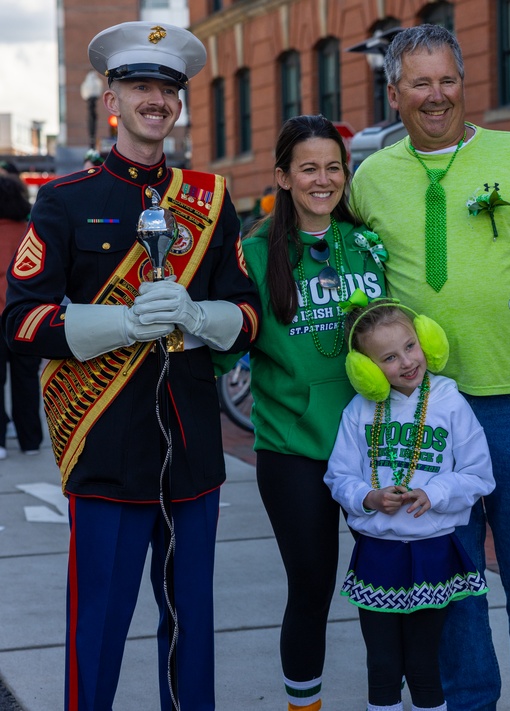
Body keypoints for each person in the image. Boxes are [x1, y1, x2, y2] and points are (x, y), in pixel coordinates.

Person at [2, 22, 260, 710]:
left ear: (179, 104)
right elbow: (20, 322)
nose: (156, 99)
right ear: (113, 97)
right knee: (98, 631)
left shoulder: (209, 197)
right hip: (106, 449)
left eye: (167, 89)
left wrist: (197, 315)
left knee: (192, 631)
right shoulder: (65, 199)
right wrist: (120, 322)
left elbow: (248, 314)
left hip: (194, 452)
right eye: (141, 86)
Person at [349, 24, 510, 711]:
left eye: (447, 79)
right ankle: (468, 703)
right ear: (393, 91)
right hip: (423, 412)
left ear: (465, 81)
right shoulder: (370, 180)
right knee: (451, 582)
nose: (436, 95)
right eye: (419, 82)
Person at [239, 114, 387, 711]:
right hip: (294, 452)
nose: (323, 179)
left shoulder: (367, 242)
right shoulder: (252, 252)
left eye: (334, 167)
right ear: (283, 175)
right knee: (312, 589)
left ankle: (388, 699)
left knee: (388, 586)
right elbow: (226, 350)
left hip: (376, 447)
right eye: (308, 168)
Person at [325, 297, 495, 711]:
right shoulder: (359, 410)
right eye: (387, 357)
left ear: (425, 343)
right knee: (382, 666)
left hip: (432, 552)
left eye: (410, 346)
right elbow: (338, 476)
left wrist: (433, 493)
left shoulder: (451, 403)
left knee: (423, 665)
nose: (405, 362)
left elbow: (479, 474)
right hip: (377, 555)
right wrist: (367, 497)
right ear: (365, 369)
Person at [0, 173, 43, 460]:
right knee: (26, 379)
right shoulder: (29, 230)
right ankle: (30, 439)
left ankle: (0, 442)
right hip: (24, 317)